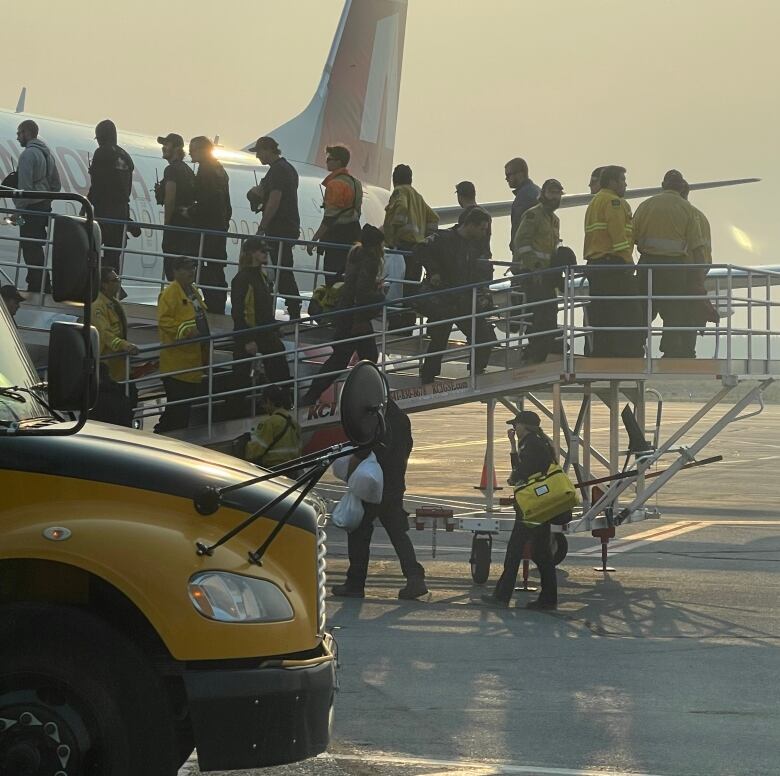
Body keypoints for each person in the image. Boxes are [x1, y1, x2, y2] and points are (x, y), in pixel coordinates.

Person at [332, 399, 428, 600]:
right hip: (394, 485)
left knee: (359, 531)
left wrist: (350, 476)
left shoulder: (374, 419)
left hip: (374, 486)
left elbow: (362, 452)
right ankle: (415, 577)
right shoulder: (402, 419)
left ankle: (355, 583)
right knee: (397, 532)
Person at [481, 411, 560, 610]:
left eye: (516, 425)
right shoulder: (539, 442)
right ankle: (549, 598)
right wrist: (513, 446)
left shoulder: (532, 444)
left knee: (515, 550)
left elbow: (524, 471)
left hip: (532, 506)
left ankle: (502, 596)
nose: (514, 429)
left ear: (524, 426)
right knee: (541, 553)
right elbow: (523, 467)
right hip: (539, 505)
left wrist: (514, 477)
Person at [300, 224, 385, 406]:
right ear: (377, 245)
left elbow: (354, 287)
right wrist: (380, 294)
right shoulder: (371, 261)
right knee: (361, 357)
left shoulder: (355, 255)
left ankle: (312, 395)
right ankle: (367, 397)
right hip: (356, 318)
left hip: (347, 312)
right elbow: (362, 293)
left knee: (344, 359)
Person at [633, 170, 708, 358]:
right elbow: (698, 247)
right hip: (675, 267)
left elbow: (630, 237)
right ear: (682, 187)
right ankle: (671, 348)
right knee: (675, 308)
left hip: (647, 265)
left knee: (642, 307)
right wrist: (699, 279)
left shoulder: (645, 205)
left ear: (662, 185)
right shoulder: (688, 210)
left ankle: (634, 345)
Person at [419, 207, 497, 384]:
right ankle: (428, 377)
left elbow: (479, 272)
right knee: (439, 337)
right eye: (482, 229)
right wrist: (434, 272)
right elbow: (420, 249)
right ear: (470, 225)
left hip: (462, 299)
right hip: (444, 299)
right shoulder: (443, 237)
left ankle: (476, 372)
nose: (484, 233)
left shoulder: (474, 245)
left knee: (485, 337)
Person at [583, 165, 643, 357]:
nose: (626, 184)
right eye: (623, 180)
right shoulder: (613, 202)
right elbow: (618, 235)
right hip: (613, 264)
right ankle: (627, 351)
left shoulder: (595, 202)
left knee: (601, 312)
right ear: (612, 182)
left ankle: (600, 352)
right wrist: (627, 261)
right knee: (628, 310)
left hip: (595, 264)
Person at [247, 137, 302, 319]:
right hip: (289, 225)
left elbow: (275, 200)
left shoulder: (277, 171)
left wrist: (262, 226)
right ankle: (293, 305)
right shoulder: (287, 169)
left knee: (281, 269)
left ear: (267, 150)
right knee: (281, 267)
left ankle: (293, 306)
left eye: (259, 152)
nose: (258, 157)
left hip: (280, 227)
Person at [512, 179, 564, 364]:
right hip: (534, 275)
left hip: (548, 276)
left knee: (549, 312)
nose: (555, 198)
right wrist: (534, 268)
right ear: (543, 194)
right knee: (539, 315)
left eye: (558, 194)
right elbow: (521, 243)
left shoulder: (554, 220)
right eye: (551, 193)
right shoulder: (533, 215)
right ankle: (533, 352)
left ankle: (545, 348)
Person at [155, 256, 208, 432]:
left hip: (192, 363)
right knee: (177, 411)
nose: (191, 271)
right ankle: (163, 437)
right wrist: (186, 332)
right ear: (175, 272)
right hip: (176, 366)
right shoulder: (170, 294)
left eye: (192, 268)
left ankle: (165, 436)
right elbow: (164, 322)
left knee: (182, 410)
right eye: (186, 269)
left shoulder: (193, 292)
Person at [231, 236, 290, 390]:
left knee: (280, 369)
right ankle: (234, 410)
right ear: (251, 253)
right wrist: (247, 340)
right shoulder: (243, 279)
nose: (266, 254)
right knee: (240, 380)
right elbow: (238, 312)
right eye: (262, 251)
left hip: (264, 333)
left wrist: (275, 327)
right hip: (249, 334)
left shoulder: (260, 277)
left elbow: (263, 308)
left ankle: (282, 401)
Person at [184, 136, 231, 315]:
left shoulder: (206, 170)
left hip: (207, 228)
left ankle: (212, 303)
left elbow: (208, 201)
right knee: (216, 267)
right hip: (219, 227)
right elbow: (225, 202)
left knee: (199, 266)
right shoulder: (220, 169)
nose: (190, 152)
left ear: (204, 150)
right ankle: (217, 303)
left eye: (194, 149)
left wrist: (190, 212)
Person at [13, 119, 61, 293]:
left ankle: (36, 283)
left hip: (30, 209)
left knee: (29, 246)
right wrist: (46, 200)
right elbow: (56, 185)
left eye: (19, 133)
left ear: (27, 133)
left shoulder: (28, 155)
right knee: (37, 246)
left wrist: (16, 213)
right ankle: (43, 283)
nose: (18, 137)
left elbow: (25, 189)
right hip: (43, 209)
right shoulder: (48, 155)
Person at [307, 145, 362, 287]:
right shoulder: (356, 183)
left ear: (338, 161)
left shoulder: (335, 184)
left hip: (338, 236)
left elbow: (329, 218)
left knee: (332, 276)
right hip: (354, 233)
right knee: (348, 276)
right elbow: (357, 211)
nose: (326, 162)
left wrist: (314, 240)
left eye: (329, 159)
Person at [87, 120, 136, 273]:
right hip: (122, 211)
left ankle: (98, 284)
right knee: (114, 255)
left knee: (90, 248)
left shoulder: (102, 153)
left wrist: (86, 204)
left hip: (106, 210)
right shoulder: (125, 155)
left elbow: (98, 184)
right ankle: (113, 285)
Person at [383, 164, 438, 282]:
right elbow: (434, 218)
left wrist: (396, 228)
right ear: (411, 179)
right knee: (412, 283)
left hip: (403, 244)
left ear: (394, 179)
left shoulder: (399, 191)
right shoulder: (417, 196)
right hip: (417, 247)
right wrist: (425, 237)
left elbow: (401, 207)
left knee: (399, 281)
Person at [155, 133, 197, 279]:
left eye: (167, 144)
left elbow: (170, 198)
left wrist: (167, 224)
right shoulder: (188, 170)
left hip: (176, 226)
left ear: (177, 148)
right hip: (189, 227)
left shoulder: (172, 170)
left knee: (172, 268)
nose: (164, 148)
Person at [93, 268, 140, 384]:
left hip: (120, 365)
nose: (118, 283)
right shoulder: (98, 306)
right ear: (104, 285)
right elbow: (105, 334)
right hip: (107, 366)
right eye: (115, 280)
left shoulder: (115, 303)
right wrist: (125, 345)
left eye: (118, 279)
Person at [245, 385, 301, 468]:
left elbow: (254, 452)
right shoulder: (295, 423)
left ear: (268, 401)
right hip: (293, 469)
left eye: (263, 403)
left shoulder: (269, 423)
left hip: (273, 469)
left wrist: (246, 444)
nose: (263, 407)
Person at [504, 157, 541, 253]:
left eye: (508, 175)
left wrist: (514, 246)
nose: (506, 179)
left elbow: (519, 228)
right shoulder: (537, 190)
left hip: (526, 254)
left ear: (520, 173)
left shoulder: (524, 197)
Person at [456, 180, 492, 272]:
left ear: (459, 196)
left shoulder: (466, 216)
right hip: (485, 260)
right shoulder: (485, 213)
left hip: (472, 264)